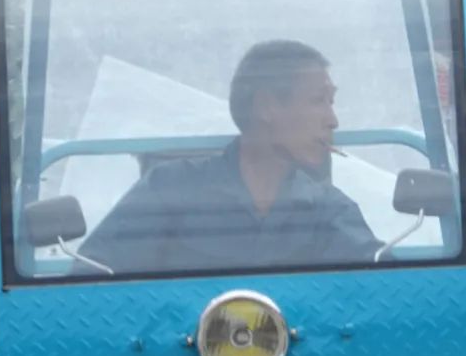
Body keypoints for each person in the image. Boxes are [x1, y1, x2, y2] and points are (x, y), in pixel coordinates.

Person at [76, 40, 379, 276]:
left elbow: (381, 285)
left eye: (331, 102)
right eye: (318, 101)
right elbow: (92, 276)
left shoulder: (330, 209)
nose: (333, 120)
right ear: (265, 107)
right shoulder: (169, 189)